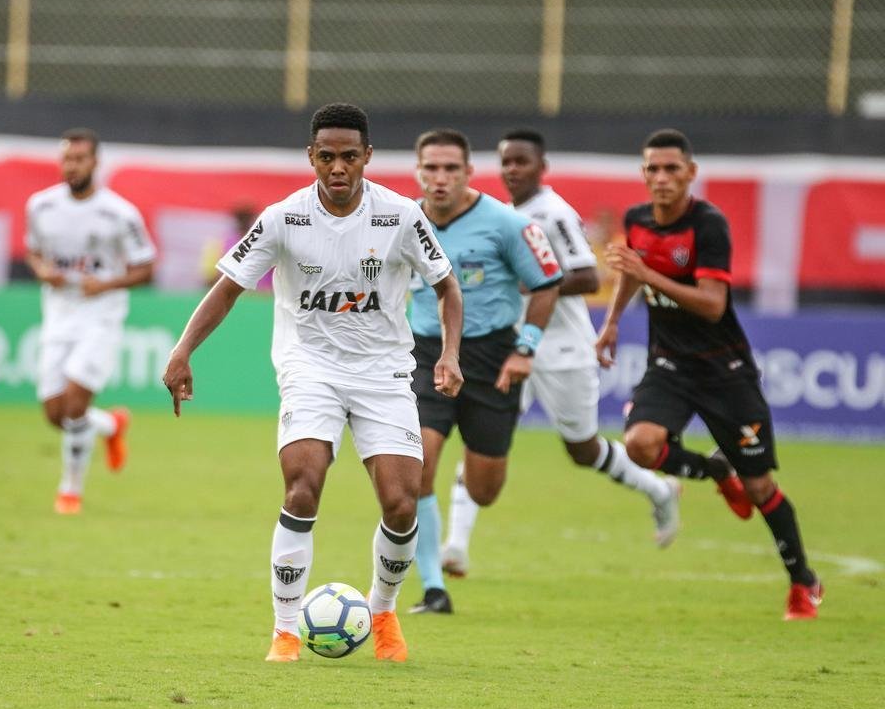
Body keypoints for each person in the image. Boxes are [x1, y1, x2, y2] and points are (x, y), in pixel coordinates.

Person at [162, 103, 464, 662]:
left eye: (350, 156)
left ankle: (382, 611)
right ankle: (284, 630)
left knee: (401, 504)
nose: (338, 168)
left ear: (367, 157)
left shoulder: (400, 215)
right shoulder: (284, 218)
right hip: (310, 368)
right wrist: (182, 350)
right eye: (327, 157)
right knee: (302, 485)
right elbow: (228, 285)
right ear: (312, 158)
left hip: (384, 371)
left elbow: (447, 286)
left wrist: (448, 355)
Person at [597, 128, 823, 620]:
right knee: (640, 443)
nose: (661, 178)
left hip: (725, 371)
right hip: (669, 365)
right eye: (652, 169)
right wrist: (612, 322)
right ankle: (717, 471)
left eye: (671, 169)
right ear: (643, 173)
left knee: (760, 488)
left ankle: (803, 582)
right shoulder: (637, 219)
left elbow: (711, 304)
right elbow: (632, 272)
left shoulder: (708, 226)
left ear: (691, 173)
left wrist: (650, 273)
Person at [491, 130, 681, 544]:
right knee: (485, 440)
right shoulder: (503, 214)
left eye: (521, 161)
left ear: (542, 168)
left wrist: (536, 285)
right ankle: (451, 554)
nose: (512, 169)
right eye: (506, 161)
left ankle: (659, 488)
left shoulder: (555, 213)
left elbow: (588, 277)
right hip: (517, 345)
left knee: (583, 450)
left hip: (563, 349)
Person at [406, 128, 563, 615]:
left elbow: (547, 283)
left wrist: (525, 349)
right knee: (415, 469)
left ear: (469, 172)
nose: (440, 178)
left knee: (484, 490)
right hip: (426, 354)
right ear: (418, 171)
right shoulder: (401, 221)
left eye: (451, 168)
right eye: (431, 167)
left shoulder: (505, 223)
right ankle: (434, 588)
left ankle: (472, 467)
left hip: (493, 358)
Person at [25, 128, 155, 515]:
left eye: (80, 159)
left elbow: (145, 268)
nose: (72, 166)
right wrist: (42, 271)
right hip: (59, 314)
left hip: (101, 315)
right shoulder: (41, 206)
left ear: (95, 162)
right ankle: (113, 426)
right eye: (67, 158)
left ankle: (70, 491)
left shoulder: (120, 213)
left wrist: (108, 283)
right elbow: (33, 253)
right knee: (55, 414)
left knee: (75, 404)